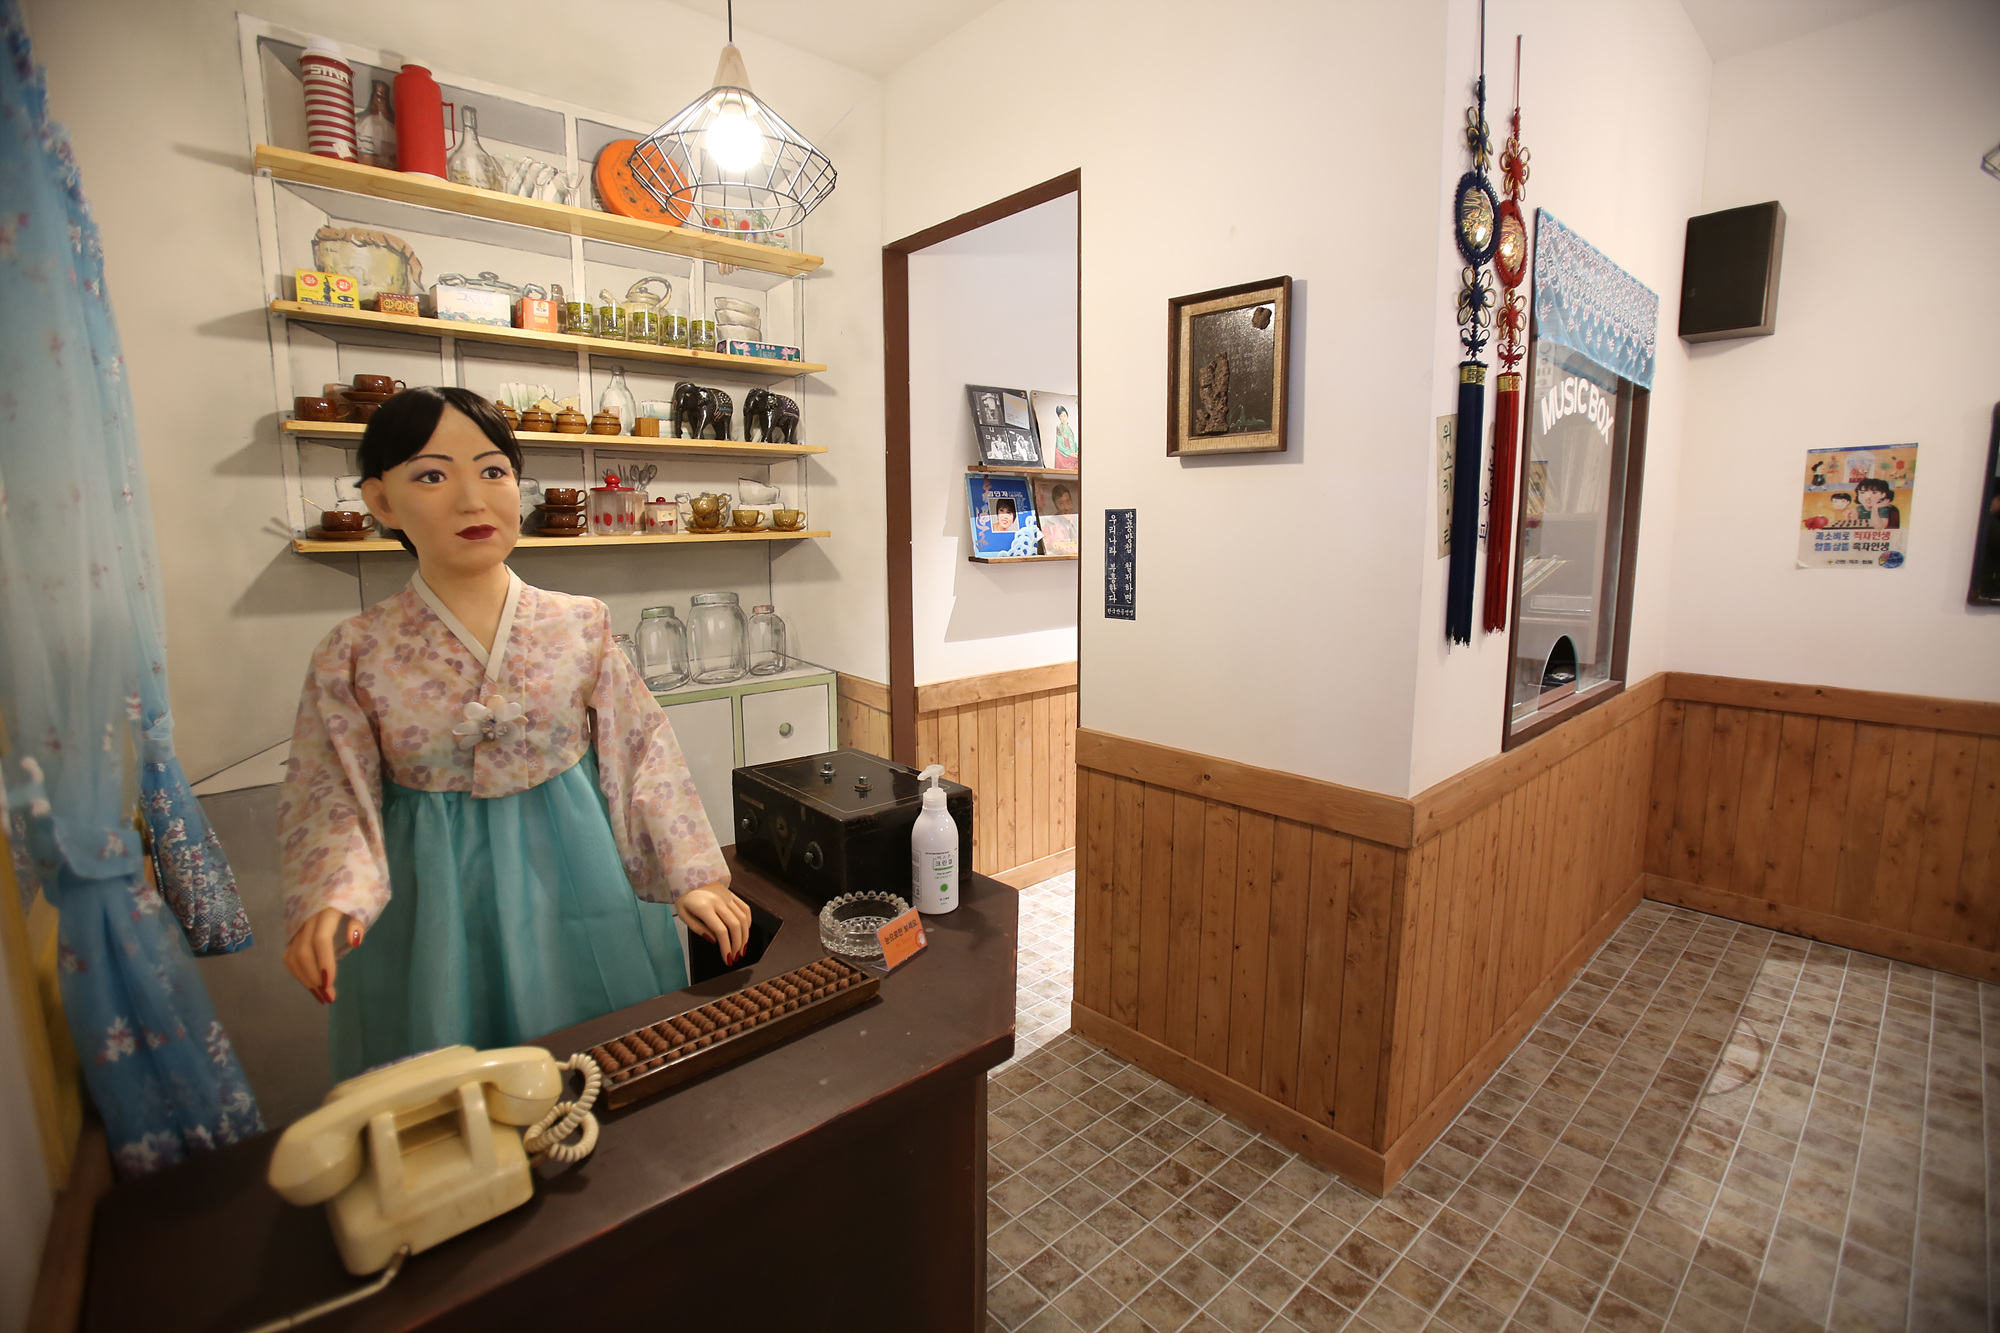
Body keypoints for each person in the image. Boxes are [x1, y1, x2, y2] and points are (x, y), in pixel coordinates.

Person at [277, 387, 752, 1079]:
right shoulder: (354, 651)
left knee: (604, 1064)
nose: (472, 499)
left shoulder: (580, 623)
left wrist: (690, 873)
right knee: (450, 1077)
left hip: (579, 876)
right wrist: (329, 897)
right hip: (430, 897)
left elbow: (642, 750)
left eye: (494, 470)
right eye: (432, 476)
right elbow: (329, 790)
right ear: (381, 501)